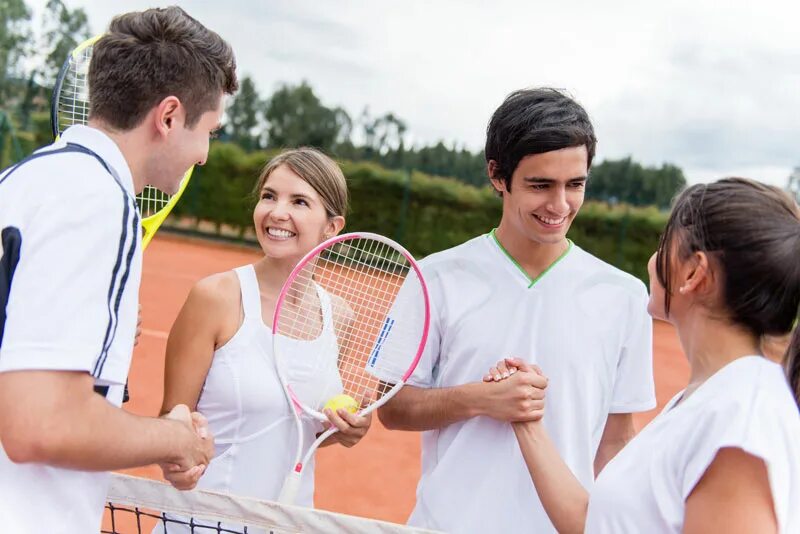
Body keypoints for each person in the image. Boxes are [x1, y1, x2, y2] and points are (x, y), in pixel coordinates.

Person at [0, 7, 238, 533]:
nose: (202, 156)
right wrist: (176, 437)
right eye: (209, 132)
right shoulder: (99, 202)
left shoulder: (17, 180)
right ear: (169, 116)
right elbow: (38, 424)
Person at [376, 88, 656, 533]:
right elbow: (392, 408)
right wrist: (479, 399)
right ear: (497, 175)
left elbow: (617, 439)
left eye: (575, 184)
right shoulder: (435, 277)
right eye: (541, 185)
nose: (560, 205)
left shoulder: (623, 296)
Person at [498, 178, 800, 533]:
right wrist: (528, 423)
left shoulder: (741, 422)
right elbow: (596, 525)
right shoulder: (712, 397)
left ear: (694, 273)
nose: (652, 258)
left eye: (664, 242)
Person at [158, 148, 372, 513]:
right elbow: (171, 418)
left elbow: (294, 430)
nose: (277, 212)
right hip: (203, 520)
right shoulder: (217, 297)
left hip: (288, 521)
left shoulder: (340, 316)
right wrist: (176, 455)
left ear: (331, 227)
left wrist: (341, 430)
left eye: (300, 201)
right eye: (269, 196)